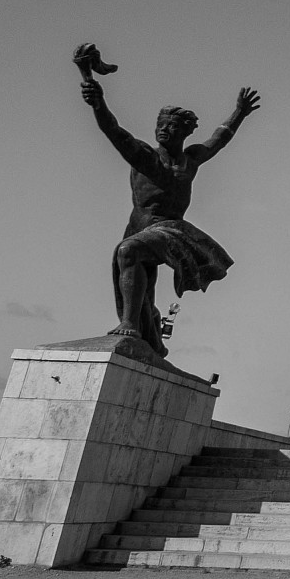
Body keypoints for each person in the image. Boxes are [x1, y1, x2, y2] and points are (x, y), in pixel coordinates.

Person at [76, 43, 257, 355]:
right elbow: (113, 130)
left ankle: (131, 326)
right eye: (161, 125)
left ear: (184, 133)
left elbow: (219, 140)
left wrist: (239, 113)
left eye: (172, 127)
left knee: (129, 252)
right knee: (138, 287)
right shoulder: (145, 157)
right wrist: (98, 103)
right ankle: (149, 334)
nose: (164, 130)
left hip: (172, 230)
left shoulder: (191, 159)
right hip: (139, 227)